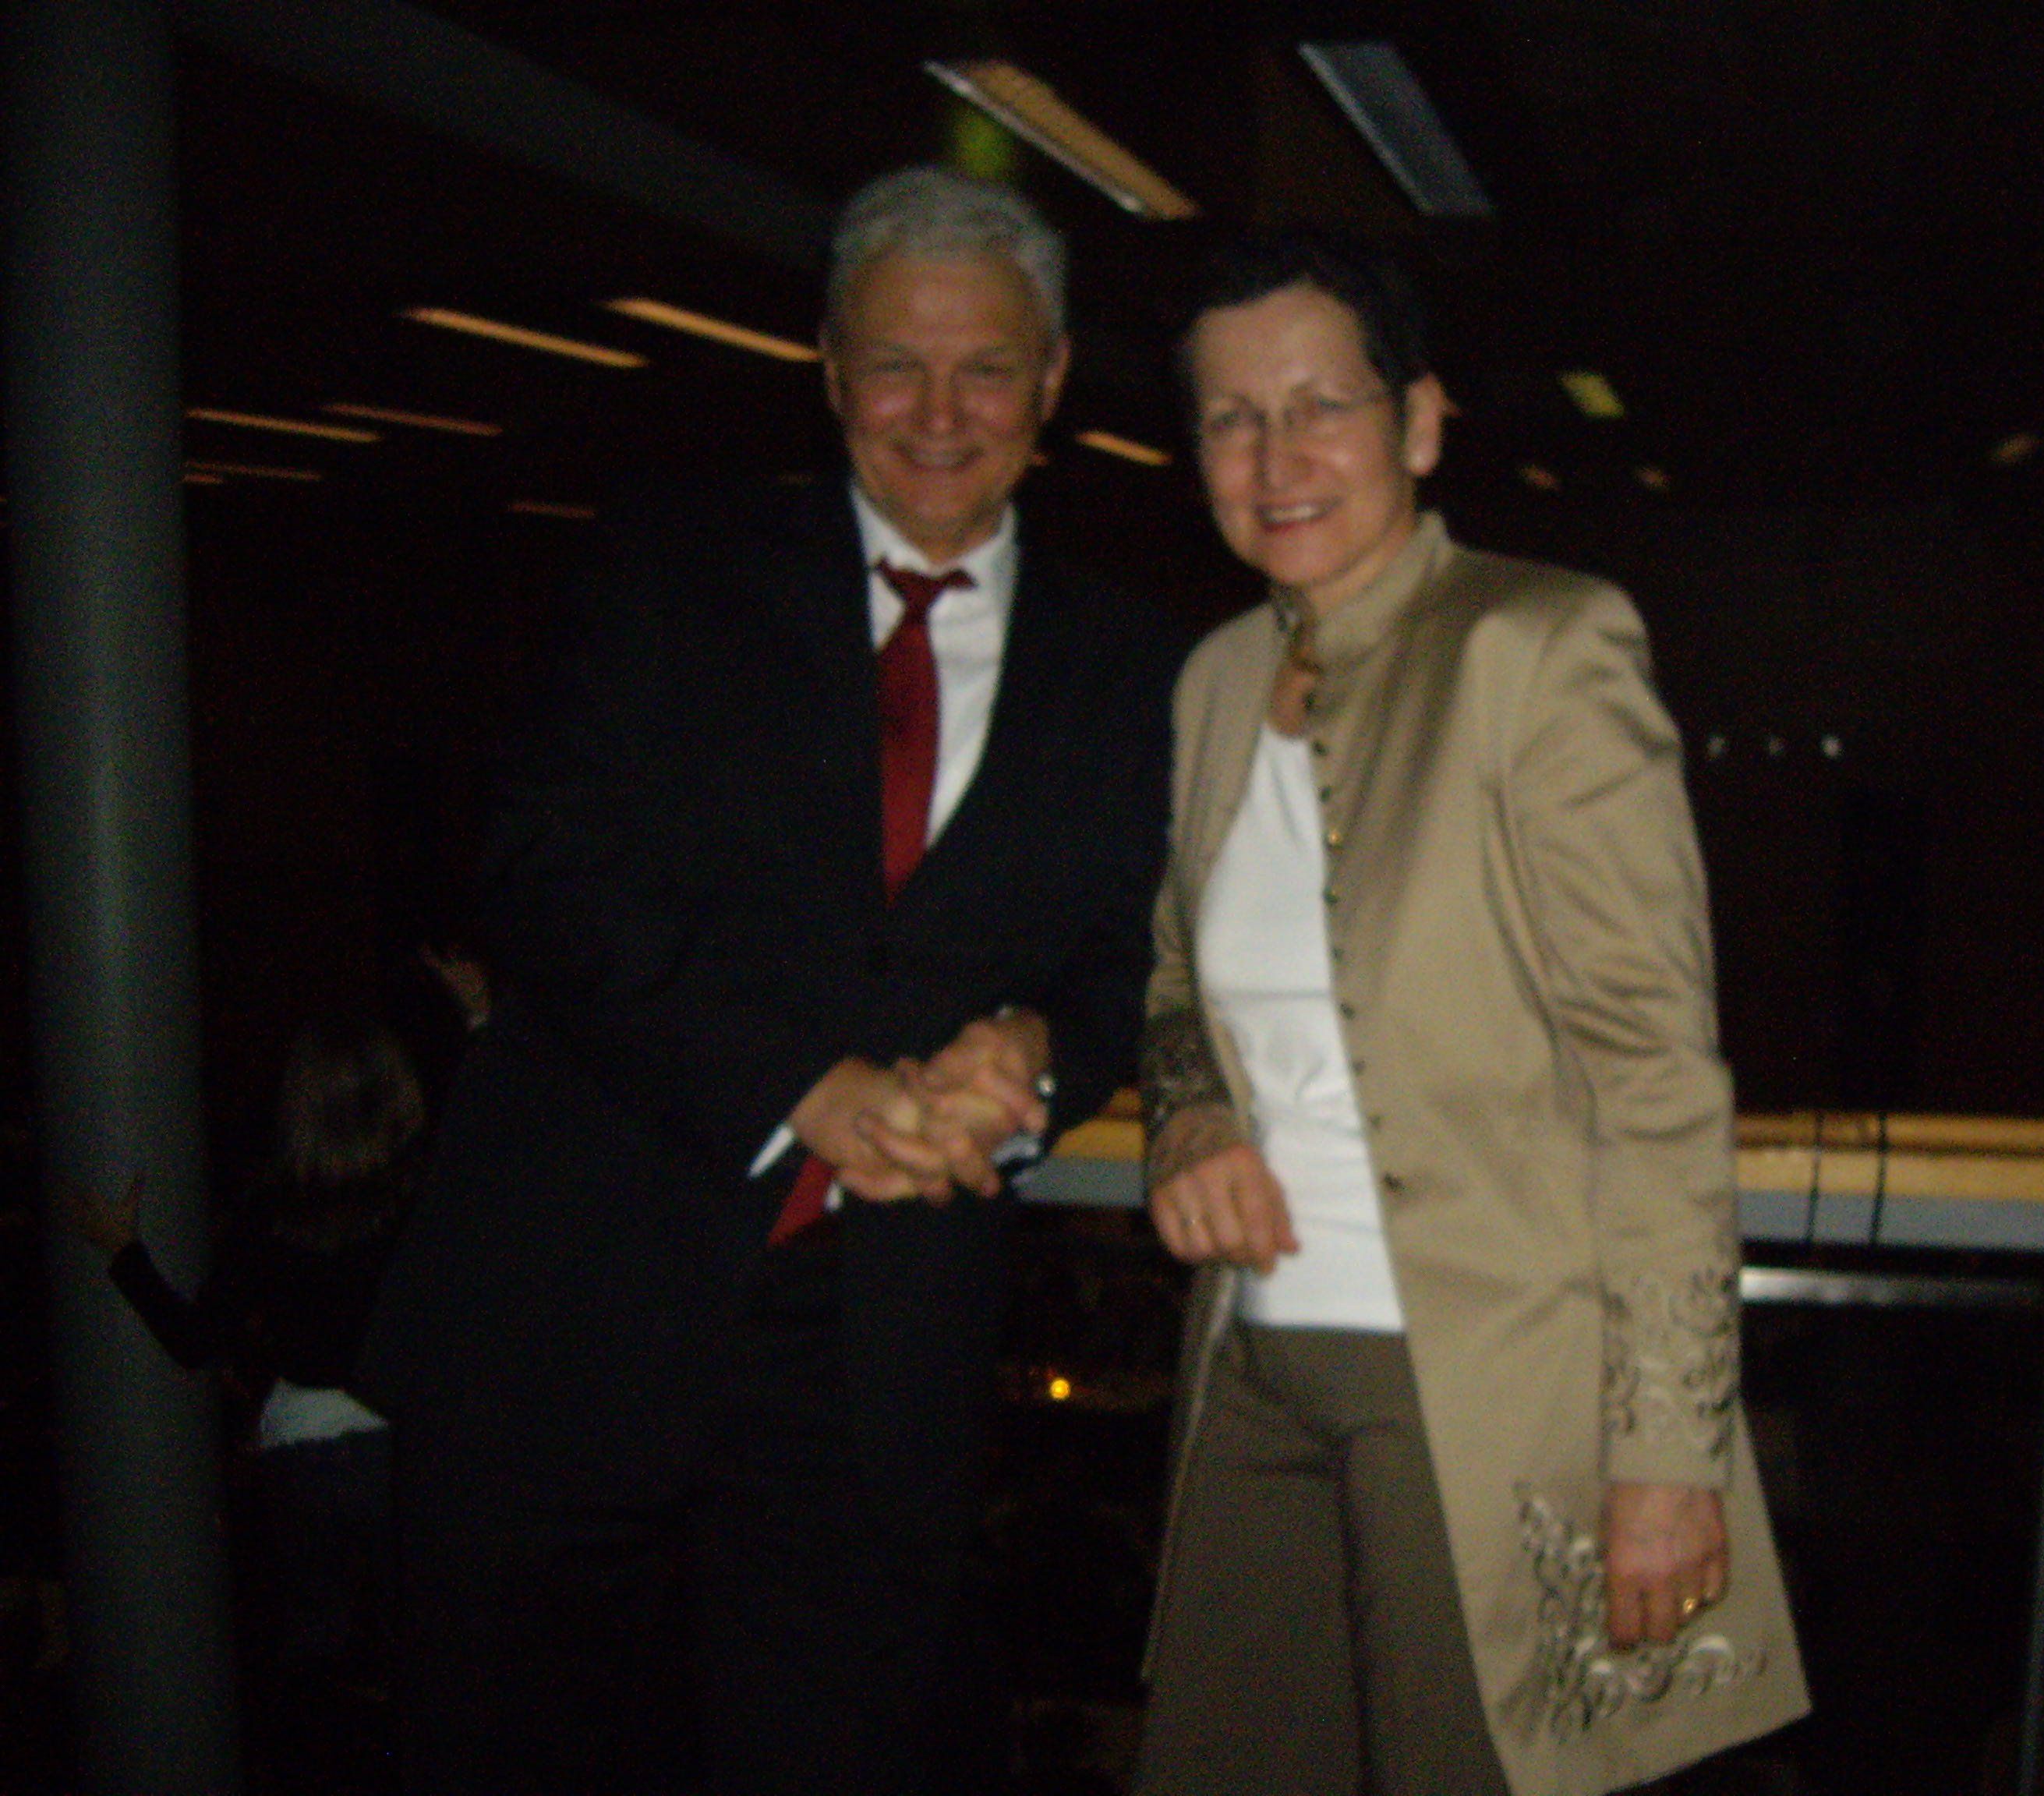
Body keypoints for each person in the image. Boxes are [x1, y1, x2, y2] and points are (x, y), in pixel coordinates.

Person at [355, 168, 1178, 1795]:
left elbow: (1121, 955)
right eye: (895, 366)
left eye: (985, 370)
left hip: (870, 1354)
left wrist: (1034, 1053)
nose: (937, 414)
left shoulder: (1139, 665)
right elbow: (540, 865)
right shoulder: (671, 566)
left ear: (1054, 381)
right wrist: (798, 1081)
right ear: (829, 366)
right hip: (573, 1307)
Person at [1135, 235, 1809, 1795]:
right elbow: (1173, 983)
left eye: (1322, 405)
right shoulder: (1214, 682)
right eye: (1232, 419)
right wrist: (1190, 1113)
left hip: (1483, 1387)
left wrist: (1667, 1451)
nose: (1276, 457)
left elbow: (1653, 1076)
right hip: (1250, 1362)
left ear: (1421, 422)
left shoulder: (1541, 647)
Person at [67, 1020, 423, 1687]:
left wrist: (123, 1251)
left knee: (317, 1646)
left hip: (301, 1443)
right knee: (422, 1645)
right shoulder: (421, 1199)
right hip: (402, 1439)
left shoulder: (272, 1208)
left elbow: (192, 1339)